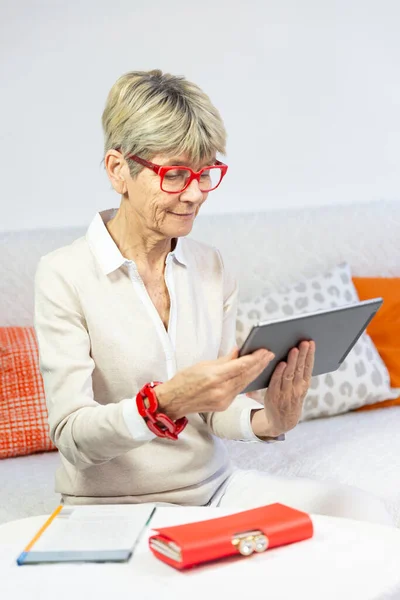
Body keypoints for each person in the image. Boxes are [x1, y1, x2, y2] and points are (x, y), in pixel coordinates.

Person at [34, 69, 392, 526]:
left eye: (205, 173)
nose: (195, 194)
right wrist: (162, 403)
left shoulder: (210, 266)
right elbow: (72, 439)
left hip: (214, 491)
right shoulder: (63, 274)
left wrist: (271, 420)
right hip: (109, 509)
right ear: (118, 169)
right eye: (176, 174)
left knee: (360, 513)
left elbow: (214, 409)